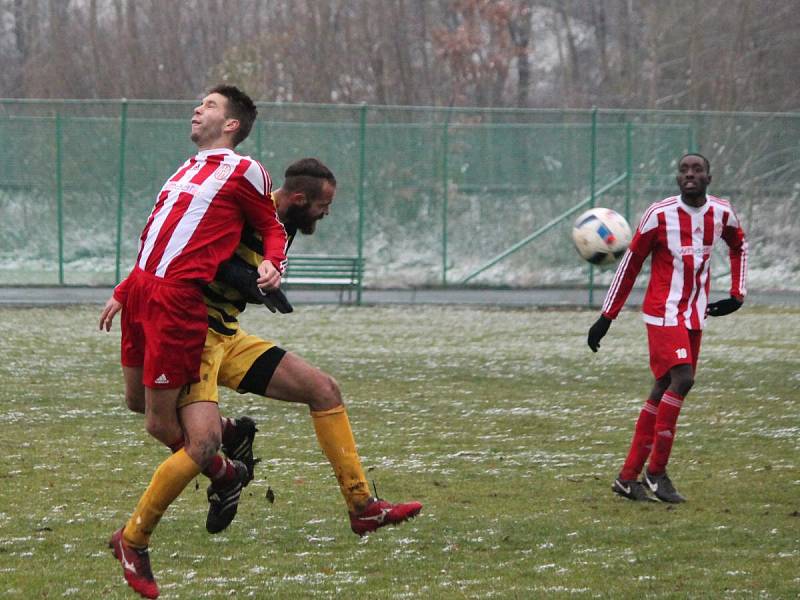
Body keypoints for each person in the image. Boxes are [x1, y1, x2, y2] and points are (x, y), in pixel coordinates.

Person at [126, 158, 422, 539]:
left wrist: (261, 285)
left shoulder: (285, 223)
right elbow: (195, 256)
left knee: (324, 390)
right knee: (179, 433)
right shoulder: (247, 211)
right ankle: (156, 522)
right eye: (322, 206)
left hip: (227, 337)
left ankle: (362, 507)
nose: (326, 213)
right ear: (298, 198)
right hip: (194, 339)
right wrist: (251, 282)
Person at [99, 85, 287, 600]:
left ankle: (135, 540)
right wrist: (124, 288)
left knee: (172, 428)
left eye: (209, 105)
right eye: (198, 103)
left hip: (179, 305)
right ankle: (229, 458)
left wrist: (274, 263)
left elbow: (272, 227)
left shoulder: (245, 170)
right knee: (141, 407)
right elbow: (157, 233)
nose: (196, 108)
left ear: (231, 125)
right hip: (142, 293)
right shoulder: (185, 167)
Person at [587, 153, 747, 504]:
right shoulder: (658, 215)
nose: (690, 174)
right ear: (677, 178)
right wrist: (606, 317)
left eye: (697, 169)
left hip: (693, 315)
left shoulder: (721, 212)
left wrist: (738, 294)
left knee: (663, 385)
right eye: (684, 170)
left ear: (708, 176)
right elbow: (630, 264)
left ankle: (627, 477)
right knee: (683, 379)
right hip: (663, 313)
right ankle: (656, 472)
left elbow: (739, 245)